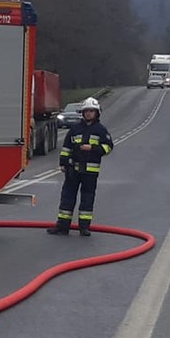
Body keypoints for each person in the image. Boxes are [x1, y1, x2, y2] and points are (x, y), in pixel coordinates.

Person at [50, 97, 114, 236]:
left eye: (92, 111)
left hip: (90, 172)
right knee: (67, 197)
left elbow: (108, 147)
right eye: (87, 111)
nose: (89, 113)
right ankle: (62, 226)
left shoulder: (100, 130)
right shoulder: (75, 129)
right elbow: (66, 147)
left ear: (97, 113)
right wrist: (63, 163)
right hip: (73, 170)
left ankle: (84, 227)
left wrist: (92, 148)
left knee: (87, 199)